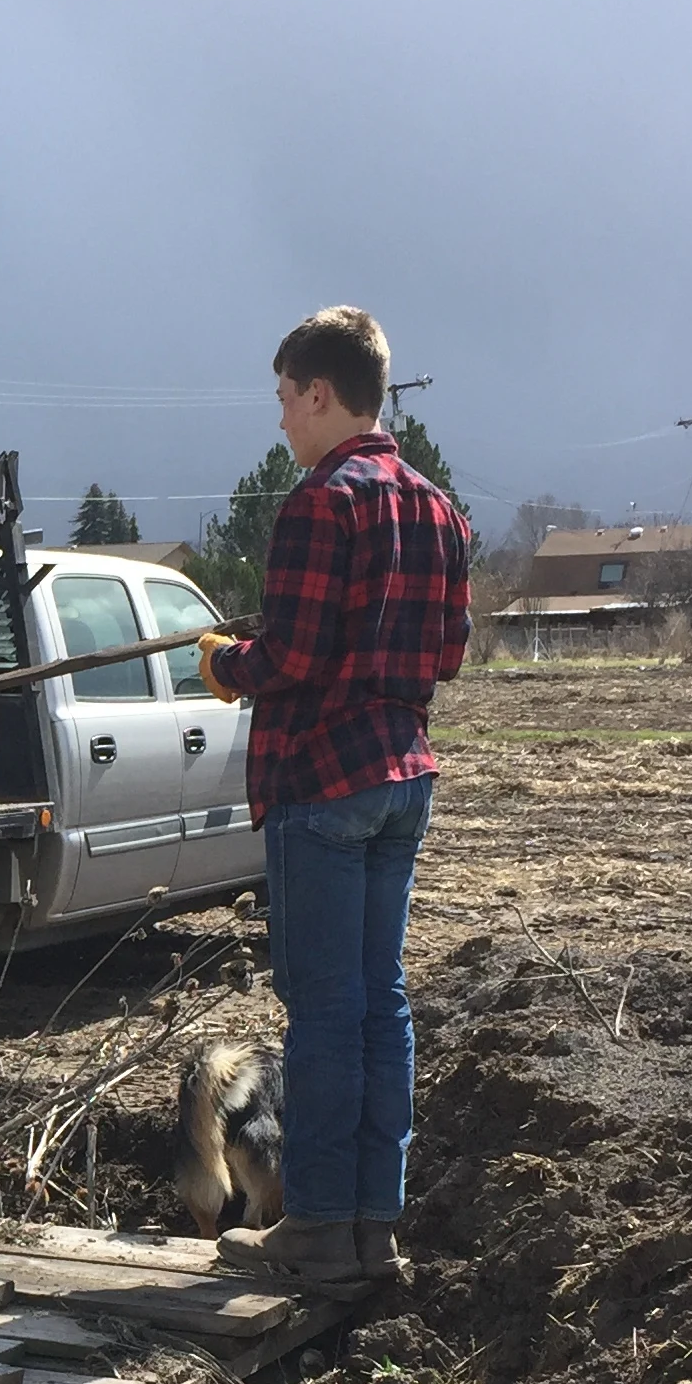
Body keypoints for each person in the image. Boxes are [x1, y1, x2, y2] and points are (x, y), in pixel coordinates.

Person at [194, 305, 471, 1294]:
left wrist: (229, 664)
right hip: (404, 774)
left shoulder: (323, 501)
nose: (280, 420)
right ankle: (371, 1229)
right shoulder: (437, 506)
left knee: (322, 1010)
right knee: (378, 1005)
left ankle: (313, 1225)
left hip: (323, 781)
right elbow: (447, 651)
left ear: (320, 394)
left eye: (284, 399)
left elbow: (294, 659)